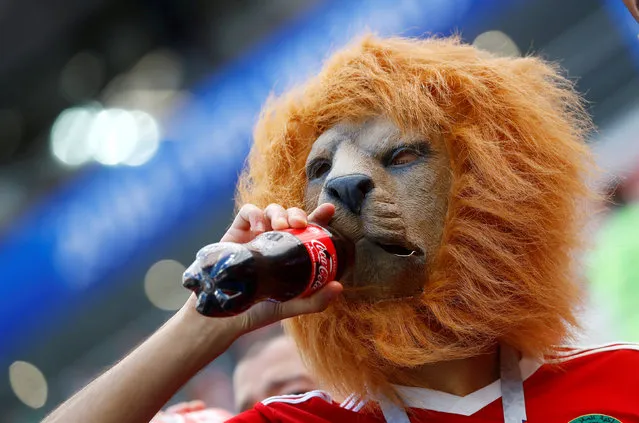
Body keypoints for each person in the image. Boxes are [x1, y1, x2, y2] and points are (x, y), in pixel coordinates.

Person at [43, 36, 639, 423]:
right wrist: (208, 320)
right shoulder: (297, 421)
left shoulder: (622, 382)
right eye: (319, 170)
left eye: (403, 156)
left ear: (494, 187)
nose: (344, 186)